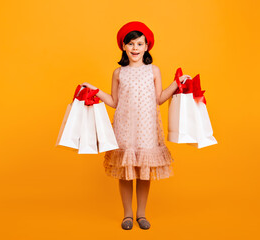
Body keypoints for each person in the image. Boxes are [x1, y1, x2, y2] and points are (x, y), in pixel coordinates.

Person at [81, 21, 191, 230]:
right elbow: (114, 101)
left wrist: (177, 83)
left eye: (140, 44)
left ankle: (141, 214)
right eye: (130, 44)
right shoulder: (118, 73)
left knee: (143, 171)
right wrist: (95, 90)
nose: (135, 48)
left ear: (147, 47)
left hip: (147, 128)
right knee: (125, 172)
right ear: (123, 46)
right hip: (124, 127)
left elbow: (159, 98)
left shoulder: (153, 70)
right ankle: (127, 215)